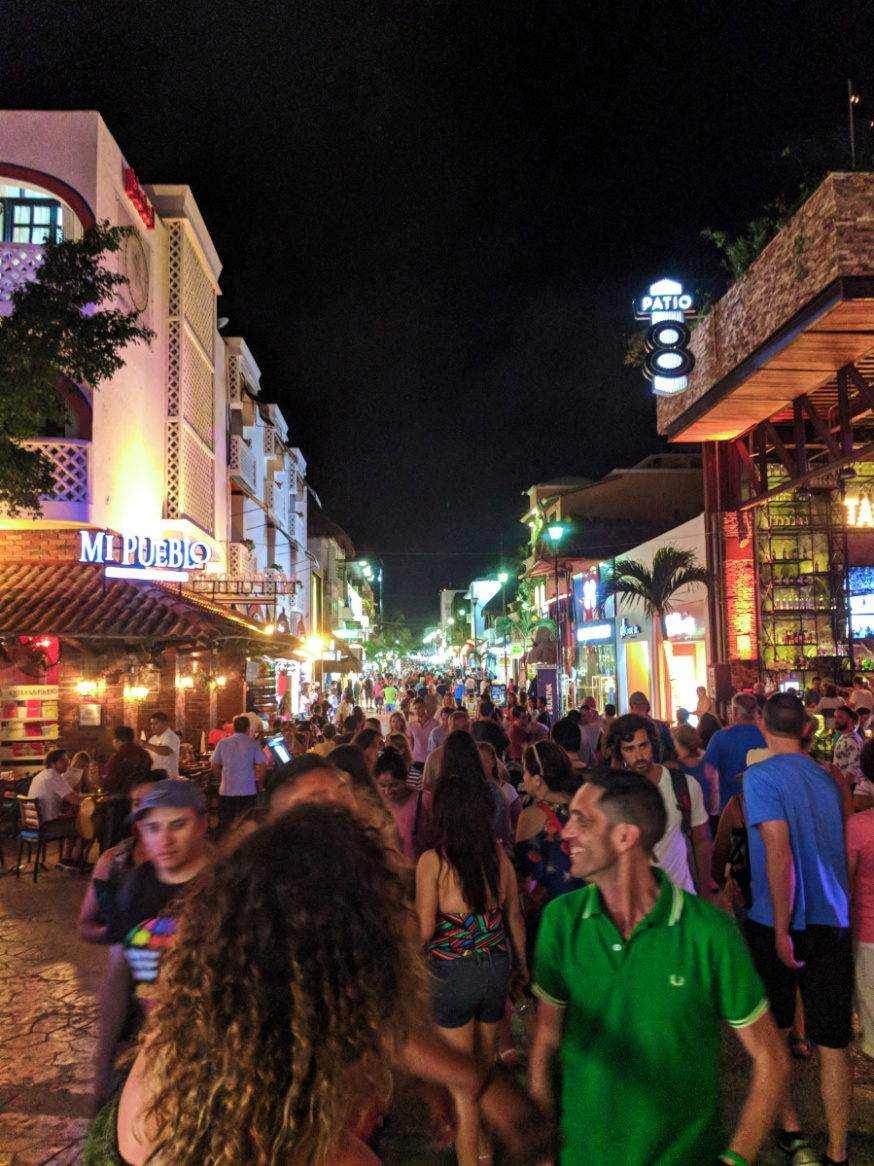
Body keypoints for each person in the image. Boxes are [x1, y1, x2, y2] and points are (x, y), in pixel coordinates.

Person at [98, 804, 550, 1166]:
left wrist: (481, 1082)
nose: (405, 922)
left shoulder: (231, 1004)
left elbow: (375, 1022)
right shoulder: (260, 1115)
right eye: (387, 913)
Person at [528, 768, 789, 1166]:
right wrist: (542, 1150)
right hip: (582, 1154)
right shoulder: (561, 921)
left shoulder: (708, 932)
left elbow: (771, 1059)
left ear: (625, 836)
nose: (565, 832)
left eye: (582, 820)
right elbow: (546, 1040)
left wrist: (736, 1159)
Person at [743, 692, 854, 1166]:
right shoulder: (830, 778)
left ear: (762, 726)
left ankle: (790, 1128)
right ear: (807, 728)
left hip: (777, 921)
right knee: (832, 1043)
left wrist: (784, 929)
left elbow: (778, 852)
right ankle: (838, 1149)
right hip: (833, 919)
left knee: (775, 1034)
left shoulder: (760, 778)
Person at [416, 773, 527, 1166]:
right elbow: (513, 912)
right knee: (483, 1073)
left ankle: (473, 1159)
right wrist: (521, 965)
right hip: (495, 966)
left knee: (462, 1085)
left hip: (452, 973)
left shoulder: (433, 862)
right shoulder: (498, 856)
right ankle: (483, 1152)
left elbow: (426, 929)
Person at [607, 714, 711, 898]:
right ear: (620, 753)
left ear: (653, 744)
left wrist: (705, 895)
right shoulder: (615, 795)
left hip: (682, 898)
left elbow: (701, 843)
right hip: (637, 905)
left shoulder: (684, 785)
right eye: (629, 749)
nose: (639, 756)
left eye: (643, 746)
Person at [78, 774, 159, 942]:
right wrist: (123, 934)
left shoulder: (192, 861)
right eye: (138, 803)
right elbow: (85, 925)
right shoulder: (113, 860)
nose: (145, 809)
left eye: (154, 800)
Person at [702, 692, 766, 812]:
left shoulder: (720, 737)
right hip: (763, 810)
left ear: (735, 711)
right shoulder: (767, 738)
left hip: (730, 811)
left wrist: (709, 800)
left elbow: (707, 771)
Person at [28, 748, 86, 870]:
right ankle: (77, 861)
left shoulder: (41, 775)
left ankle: (67, 858)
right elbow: (76, 800)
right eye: (62, 760)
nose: (66, 763)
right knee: (84, 825)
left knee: (73, 819)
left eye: (67, 760)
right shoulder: (54, 777)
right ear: (52, 763)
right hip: (46, 826)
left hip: (34, 825)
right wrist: (91, 800)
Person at [210, 714, 267, 836]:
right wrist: (259, 783)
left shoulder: (223, 743)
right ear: (248, 729)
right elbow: (263, 766)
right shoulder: (253, 744)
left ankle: (221, 850)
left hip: (227, 790)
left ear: (234, 728)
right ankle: (245, 849)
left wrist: (222, 779)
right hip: (248, 790)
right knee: (247, 823)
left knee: (224, 824)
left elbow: (214, 766)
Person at [375, 746, 434, 863]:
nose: (387, 791)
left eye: (393, 785)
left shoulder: (424, 800)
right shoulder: (378, 804)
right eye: (382, 785)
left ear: (405, 778)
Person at [673, 721, 719, 828]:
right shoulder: (708, 767)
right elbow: (714, 803)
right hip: (703, 823)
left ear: (680, 743)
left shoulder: (673, 768)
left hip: (680, 826)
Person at [627, 691, 675, 763]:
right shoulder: (660, 726)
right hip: (658, 769)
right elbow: (672, 750)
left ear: (631, 706)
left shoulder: (625, 727)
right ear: (647, 706)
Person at [833, 704, 864, 788]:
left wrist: (844, 791)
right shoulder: (843, 736)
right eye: (835, 717)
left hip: (847, 788)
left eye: (840, 717)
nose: (836, 720)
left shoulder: (853, 741)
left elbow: (853, 770)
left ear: (850, 720)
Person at [142, 711, 181, 779]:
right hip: (155, 777)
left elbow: (166, 751)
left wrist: (147, 745)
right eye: (151, 724)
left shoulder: (171, 736)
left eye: (155, 723)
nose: (152, 727)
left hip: (168, 779)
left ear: (165, 723)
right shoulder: (152, 739)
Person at [409, 697, 440, 772]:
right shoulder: (412, 725)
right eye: (415, 708)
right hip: (416, 760)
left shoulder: (435, 723)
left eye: (419, 708)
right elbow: (411, 742)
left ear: (424, 707)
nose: (417, 711)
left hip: (430, 760)